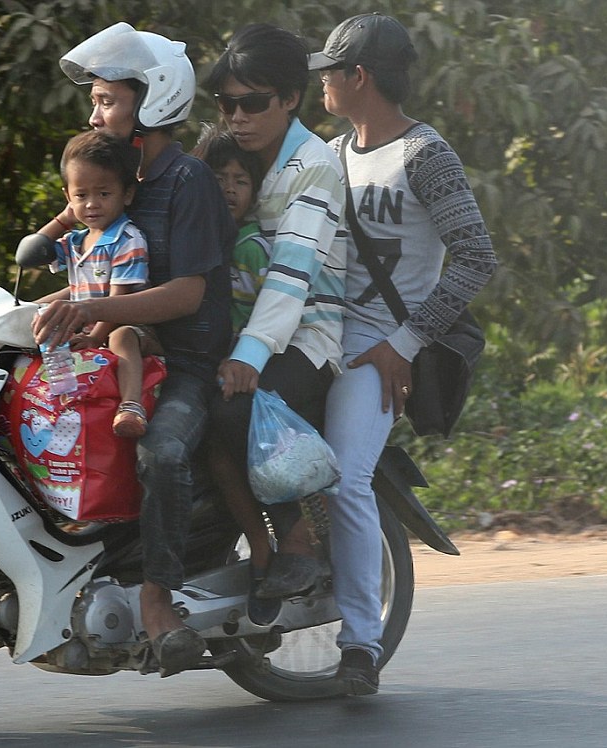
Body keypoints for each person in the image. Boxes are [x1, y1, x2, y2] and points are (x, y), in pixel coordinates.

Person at [33, 23, 236, 677]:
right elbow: (78, 250)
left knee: (163, 448)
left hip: (184, 363)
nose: (95, 113)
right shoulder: (118, 182)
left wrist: (93, 310)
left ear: (151, 102)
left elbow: (184, 296)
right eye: (95, 101)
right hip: (122, 355)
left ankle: (156, 601)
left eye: (106, 101)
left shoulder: (188, 182)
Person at [308, 13, 497, 694]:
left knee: (346, 477)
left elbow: (477, 257)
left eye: (329, 70)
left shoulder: (425, 155)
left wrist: (405, 345)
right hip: (318, 336)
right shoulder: (332, 154)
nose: (321, 82)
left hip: (377, 347)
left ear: (358, 77)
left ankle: (360, 646)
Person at [203, 24, 347, 626]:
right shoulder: (229, 160)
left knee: (235, 408)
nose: (237, 116)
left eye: (253, 102)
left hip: (309, 334)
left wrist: (250, 357)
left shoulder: (311, 165)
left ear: (290, 98)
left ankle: (296, 541)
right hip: (236, 328)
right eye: (227, 103)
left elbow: (291, 275)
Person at [34, 129, 158, 438]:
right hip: (87, 331)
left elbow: (120, 299)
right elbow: (36, 250)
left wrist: (96, 337)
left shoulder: (127, 238)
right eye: (81, 195)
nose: (92, 204)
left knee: (122, 336)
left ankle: (131, 407)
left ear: (126, 194)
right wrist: (65, 218)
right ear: (68, 197)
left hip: (128, 327)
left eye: (103, 193)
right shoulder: (76, 241)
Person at [192, 126, 270, 334]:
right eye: (219, 179)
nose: (229, 189)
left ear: (255, 193)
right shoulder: (198, 239)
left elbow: (268, 312)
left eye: (241, 181)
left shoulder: (253, 250)